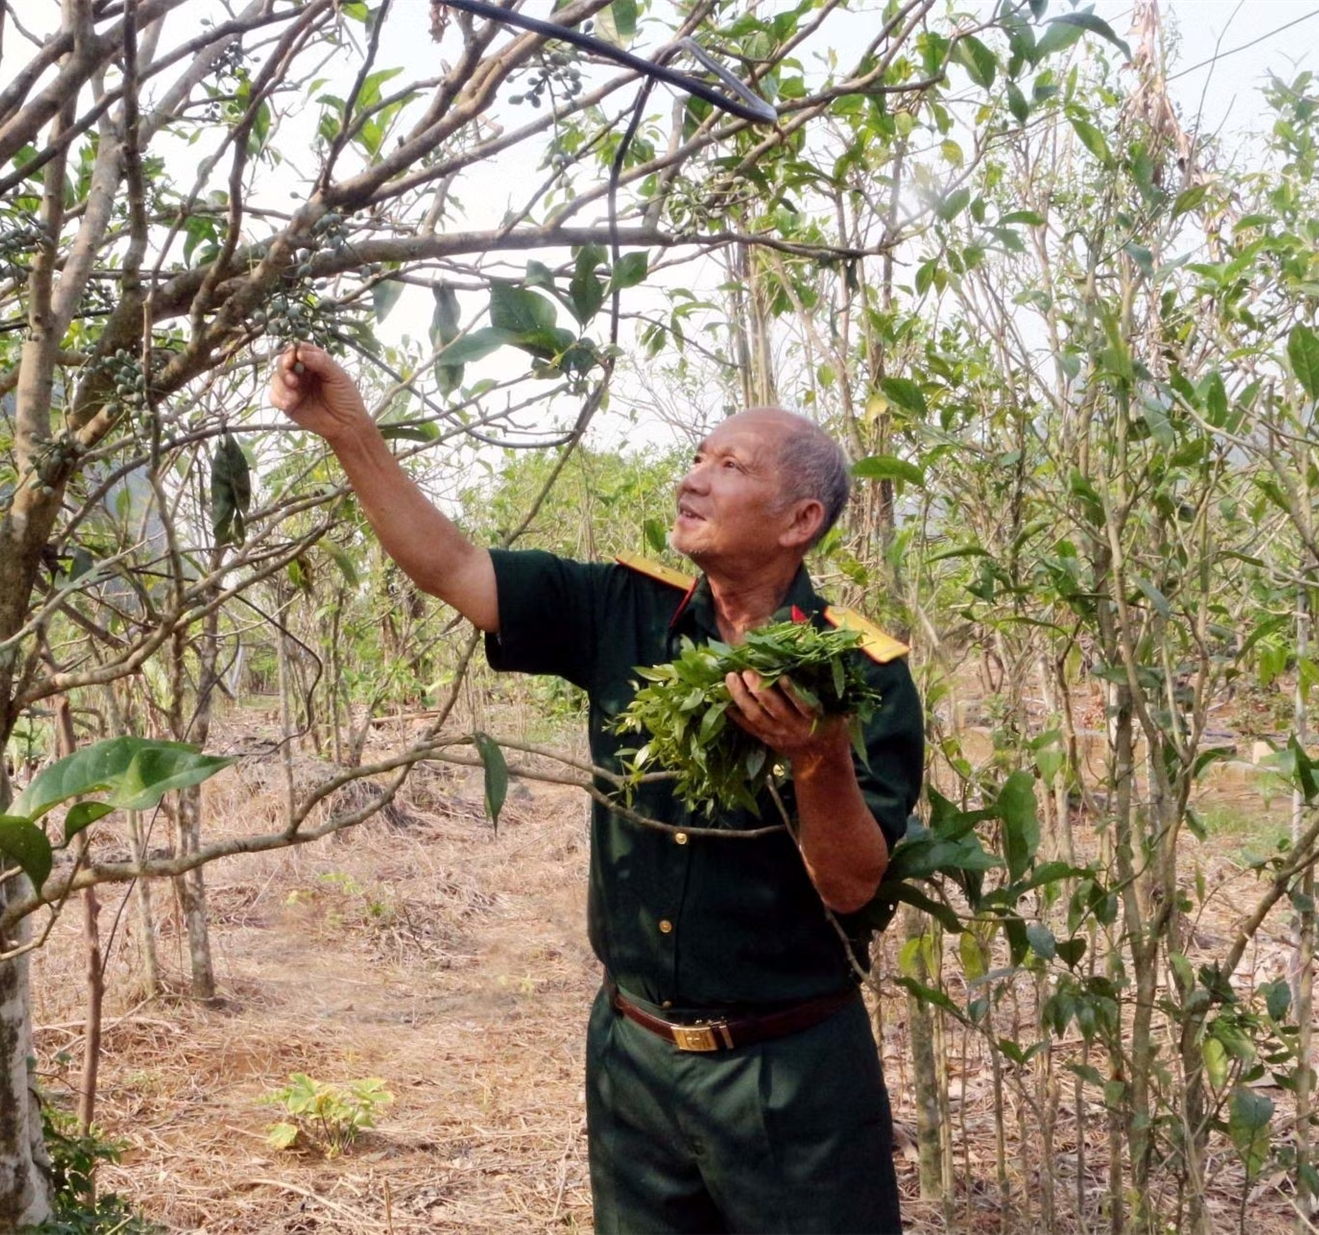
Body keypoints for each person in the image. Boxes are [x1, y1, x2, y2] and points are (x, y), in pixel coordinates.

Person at [269, 342, 923, 1235]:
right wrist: (350, 434)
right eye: (697, 456)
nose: (693, 479)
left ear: (799, 518)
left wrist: (819, 760)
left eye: (730, 466)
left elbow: (851, 885)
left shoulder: (856, 672)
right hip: (634, 1063)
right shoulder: (621, 608)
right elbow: (450, 565)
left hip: (790, 1075)